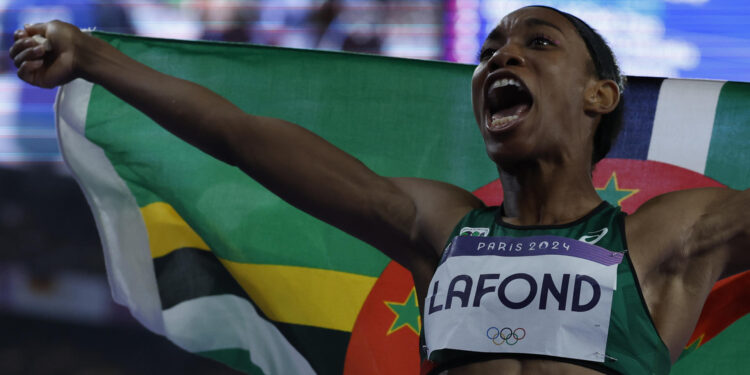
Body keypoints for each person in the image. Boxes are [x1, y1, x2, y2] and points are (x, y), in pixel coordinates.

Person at [9, 5, 749, 375]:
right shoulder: (438, 226)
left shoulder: (664, 238)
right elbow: (241, 137)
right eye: (490, 48)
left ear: (599, 95)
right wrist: (97, 59)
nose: (501, 56)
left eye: (538, 44)